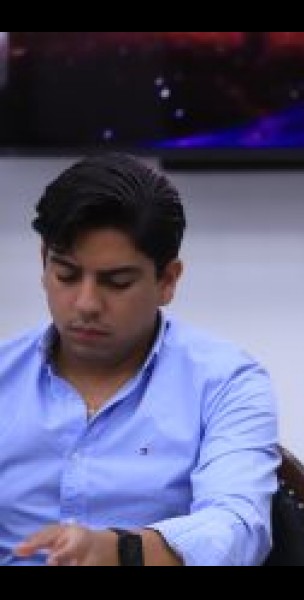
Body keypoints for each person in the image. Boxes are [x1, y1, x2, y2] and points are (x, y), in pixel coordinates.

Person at [0, 153, 280, 566]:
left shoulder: (226, 382)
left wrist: (119, 551)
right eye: (67, 275)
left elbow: (237, 529)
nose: (86, 303)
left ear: (167, 280)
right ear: (44, 263)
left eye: (117, 282)